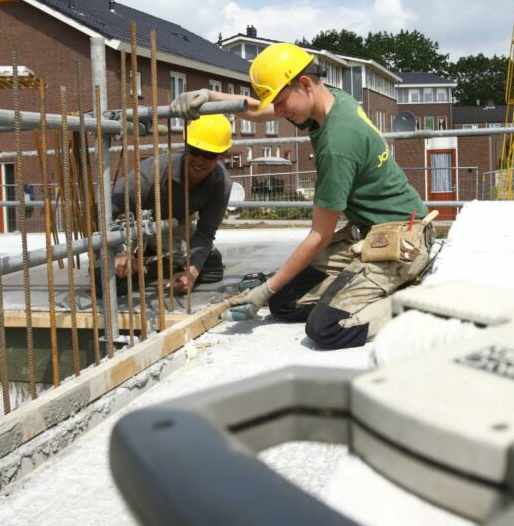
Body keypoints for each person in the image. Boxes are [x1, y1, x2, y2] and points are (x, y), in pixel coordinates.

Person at [171, 42, 432, 349]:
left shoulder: (338, 144)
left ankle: (415, 306)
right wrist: (211, 97)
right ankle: (359, 288)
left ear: (305, 84)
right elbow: (260, 109)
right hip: (369, 233)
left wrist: (264, 290)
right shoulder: (331, 100)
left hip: (403, 239)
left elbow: (319, 236)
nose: (278, 113)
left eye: (281, 102)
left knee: (326, 327)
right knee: (284, 304)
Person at [110, 114, 232, 294]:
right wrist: (118, 252)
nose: (199, 160)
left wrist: (190, 273)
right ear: (185, 147)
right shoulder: (150, 174)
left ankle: (152, 261)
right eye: (194, 151)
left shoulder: (221, 184)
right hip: (135, 229)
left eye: (209, 155)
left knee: (210, 268)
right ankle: (141, 261)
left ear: (222, 155)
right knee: (111, 282)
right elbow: (103, 211)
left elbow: (205, 233)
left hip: (174, 228)